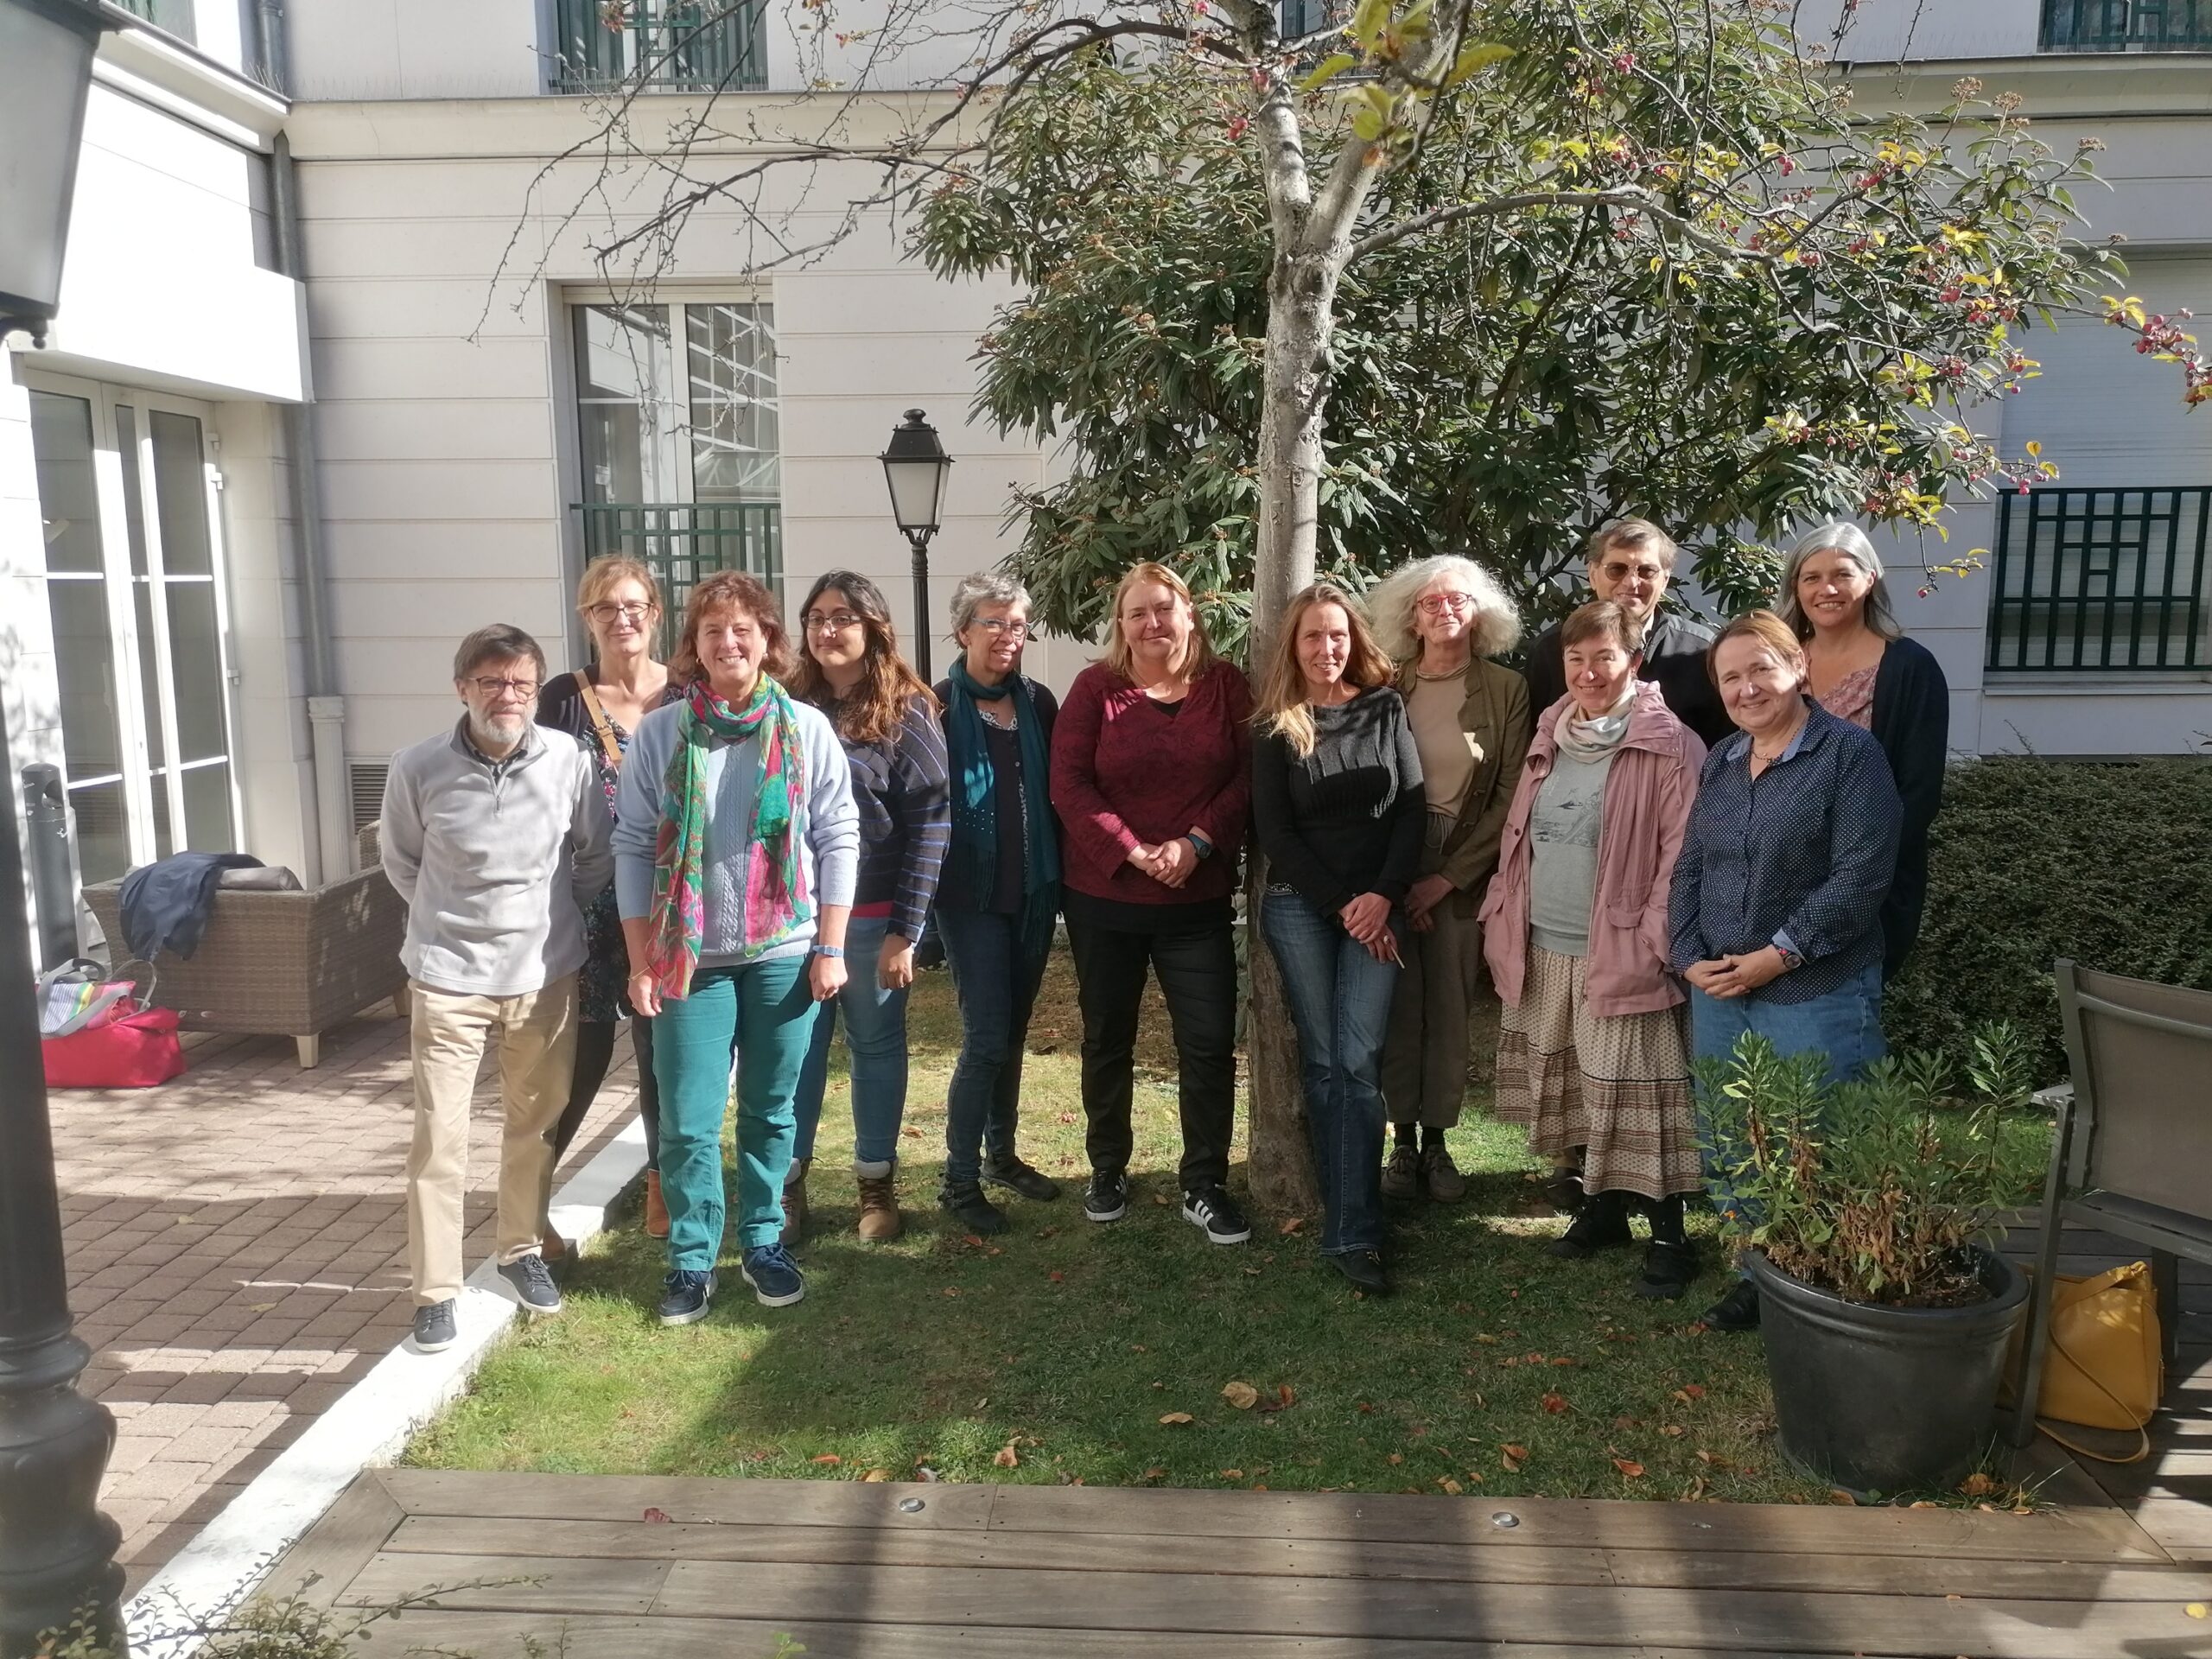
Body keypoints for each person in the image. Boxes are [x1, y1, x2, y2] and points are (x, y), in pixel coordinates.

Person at [614, 572, 859, 1324]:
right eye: (713, 630)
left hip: (785, 952)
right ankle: (691, 1259)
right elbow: (632, 846)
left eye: (743, 629)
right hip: (690, 960)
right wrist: (641, 959)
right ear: (694, 644)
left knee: (770, 1110)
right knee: (688, 1120)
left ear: (767, 641)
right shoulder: (660, 734)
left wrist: (831, 946)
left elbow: (838, 835)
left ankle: (762, 1241)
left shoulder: (805, 729)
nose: (729, 642)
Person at [379, 625, 613, 1355]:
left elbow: (594, 855)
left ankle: (520, 1251)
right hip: (448, 978)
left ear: (536, 691)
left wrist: (550, 920)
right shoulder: (416, 766)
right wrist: (451, 922)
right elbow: (402, 863)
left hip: (543, 975)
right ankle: (435, 1292)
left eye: (520, 682)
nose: (506, 695)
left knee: (534, 1125)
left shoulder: (569, 759)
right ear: (463, 689)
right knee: (439, 1140)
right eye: (490, 681)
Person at [1669, 610, 1902, 1332]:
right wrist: (1687, 957)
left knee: (1816, 1138)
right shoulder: (1723, 759)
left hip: (1813, 988)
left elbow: (1862, 875)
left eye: (1760, 669)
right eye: (1730, 677)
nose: (1746, 688)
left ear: (1798, 667)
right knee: (1733, 1136)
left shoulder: (1850, 754)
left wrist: (1779, 954)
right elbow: (1692, 865)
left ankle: (1823, 1279)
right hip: (1721, 990)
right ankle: (1758, 1274)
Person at [1481, 601, 1707, 1298]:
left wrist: (1653, 940)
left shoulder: (1670, 744)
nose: (1588, 672)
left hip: (1621, 949)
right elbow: (1521, 833)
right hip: (1545, 943)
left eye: (1604, 657)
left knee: (1643, 1094)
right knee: (1583, 1090)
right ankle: (1603, 1212)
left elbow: (1683, 856)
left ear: (1633, 662)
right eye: (1576, 659)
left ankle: (1670, 1238)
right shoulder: (1552, 731)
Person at [1050, 562, 1254, 1243]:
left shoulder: (1225, 687)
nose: (1152, 623)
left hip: (1197, 902)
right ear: (1121, 624)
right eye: (1137, 612)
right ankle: (1107, 1168)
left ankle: (1204, 1184)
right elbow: (1068, 783)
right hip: (1105, 900)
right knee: (1107, 1039)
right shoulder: (1095, 689)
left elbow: (1249, 776)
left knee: (1208, 1045)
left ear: (1189, 614)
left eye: (1164, 608)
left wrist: (1197, 842)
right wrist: (1135, 851)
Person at [1252, 582, 1426, 1298]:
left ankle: (1353, 1225)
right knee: (1325, 1063)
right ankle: (1352, 1220)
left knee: (1358, 1061)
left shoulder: (1385, 708)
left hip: (1378, 908)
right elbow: (1275, 833)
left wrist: (1381, 897)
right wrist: (1343, 904)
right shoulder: (1275, 724)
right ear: (1293, 647)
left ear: (1353, 641)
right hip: (1301, 907)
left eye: (1337, 635)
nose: (1326, 648)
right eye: (1312, 637)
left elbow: (1412, 810)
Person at [785, 570, 950, 1243]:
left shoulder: (907, 711)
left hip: (873, 918)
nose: (827, 630)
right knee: (795, 1051)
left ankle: (875, 1185)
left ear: (873, 627)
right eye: (816, 618)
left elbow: (932, 825)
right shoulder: (786, 704)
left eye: (842, 617)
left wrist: (905, 932)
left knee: (875, 1047)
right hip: (793, 920)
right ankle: (787, 1186)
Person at [1363, 554, 1530, 1204]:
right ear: (1412, 616)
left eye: (1457, 600)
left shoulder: (1506, 688)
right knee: (1397, 1005)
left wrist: (1448, 879)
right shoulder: (1385, 683)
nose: (1444, 611)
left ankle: (1437, 1143)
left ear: (1478, 611)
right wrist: (1399, 880)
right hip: (1391, 861)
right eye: (1431, 602)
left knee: (1450, 1009)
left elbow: (1511, 795)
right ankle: (1402, 1143)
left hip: (1465, 865)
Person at [535, 556, 682, 1245]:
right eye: (604, 607)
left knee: (662, 1053)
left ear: (655, 613)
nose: (621, 619)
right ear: (586, 619)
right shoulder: (563, 699)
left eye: (633, 606)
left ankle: (664, 1188)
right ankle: (529, 1198)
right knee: (580, 1058)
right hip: (588, 903)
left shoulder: (687, 691)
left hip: (670, 903)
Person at [933, 572, 1064, 1236]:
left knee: (1011, 1033)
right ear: (964, 631)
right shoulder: (934, 705)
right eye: (995, 623)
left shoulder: (1038, 702)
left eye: (1017, 625)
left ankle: (1000, 1156)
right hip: (968, 897)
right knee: (985, 1037)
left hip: (1032, 893)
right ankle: (957, 1181)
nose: (1009, 636)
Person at [1777, 521, 1948, 980]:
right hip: (1772, 881)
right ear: (1796, 586)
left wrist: (1853, 877)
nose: (1827, 589)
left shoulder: (1909, 667)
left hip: (1861, 889)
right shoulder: (1778, 664)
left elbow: (1919, 793)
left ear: (1870, 579)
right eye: (1812, 577)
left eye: (1842, 575)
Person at [1523, 519, 1732, 749]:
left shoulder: (1702, 652)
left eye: (1647, 571)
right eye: (1617, 569)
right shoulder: (1550, 650)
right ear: (1593, 575)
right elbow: (1534, 745)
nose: (1632, 582)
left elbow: (1727, 749)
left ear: (1664, 580)